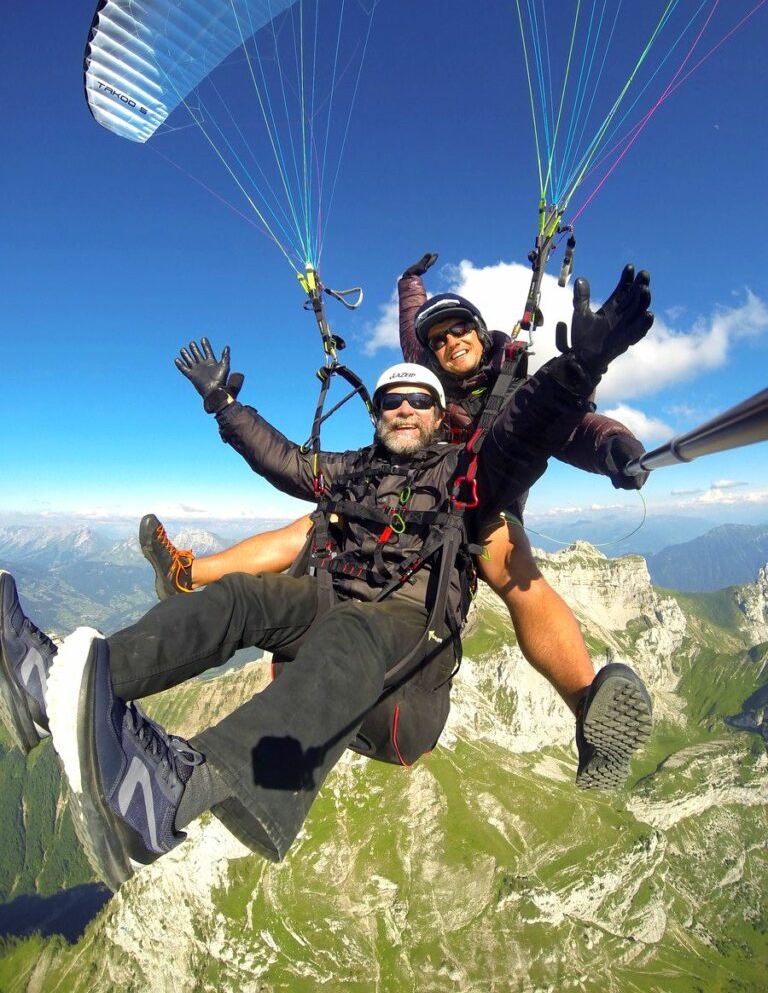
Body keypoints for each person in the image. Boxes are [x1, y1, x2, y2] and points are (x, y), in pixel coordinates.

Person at [0, 285, 653, 889]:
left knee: (422, 602)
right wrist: (224, 405)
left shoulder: (470, 471)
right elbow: (285, 461)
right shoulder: (359, 471)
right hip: (335, 616)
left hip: (400, 678)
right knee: (247, 596)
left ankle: (170, 794)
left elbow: (528, 431)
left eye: (418, 400)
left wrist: (582, 368)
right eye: (392, 400)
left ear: (436, 416)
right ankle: (54, 683)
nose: (404, 407)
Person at [140, 258, 648, 738]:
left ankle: (587, 704)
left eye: (460, 331)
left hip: (484, 499)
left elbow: (571, 426)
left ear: (479, 331)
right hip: (411, 489)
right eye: (439, 340)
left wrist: (612, 446)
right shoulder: (423, 383)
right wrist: (410, 284)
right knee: (317, 522)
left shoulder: (516, 387)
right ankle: (187, 575)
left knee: (512, 569)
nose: (451, 343)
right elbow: (414, 329)